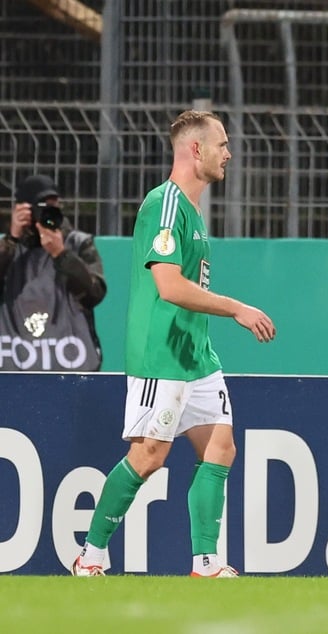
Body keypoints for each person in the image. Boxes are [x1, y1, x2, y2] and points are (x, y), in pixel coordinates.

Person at [71, 110, 276, 577]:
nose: (229, 153)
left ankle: (206, 563)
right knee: (148, 456)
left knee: (221, 448)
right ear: (196, 149)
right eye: (222, 144)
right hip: (160, 355)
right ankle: (91, 556)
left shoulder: (192, 209)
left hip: (196, 354)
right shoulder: (164, 204)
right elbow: (169, 285)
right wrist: (237, 309)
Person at [0, 174, 106, 371]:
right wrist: (12, 239)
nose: (49, 213)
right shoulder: (9, 249)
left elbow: (94, 294)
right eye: (42, 207)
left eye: (54, 206)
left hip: (71, 364)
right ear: (24, 209)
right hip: (13, 366)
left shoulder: (78, 244)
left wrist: (61, 254)